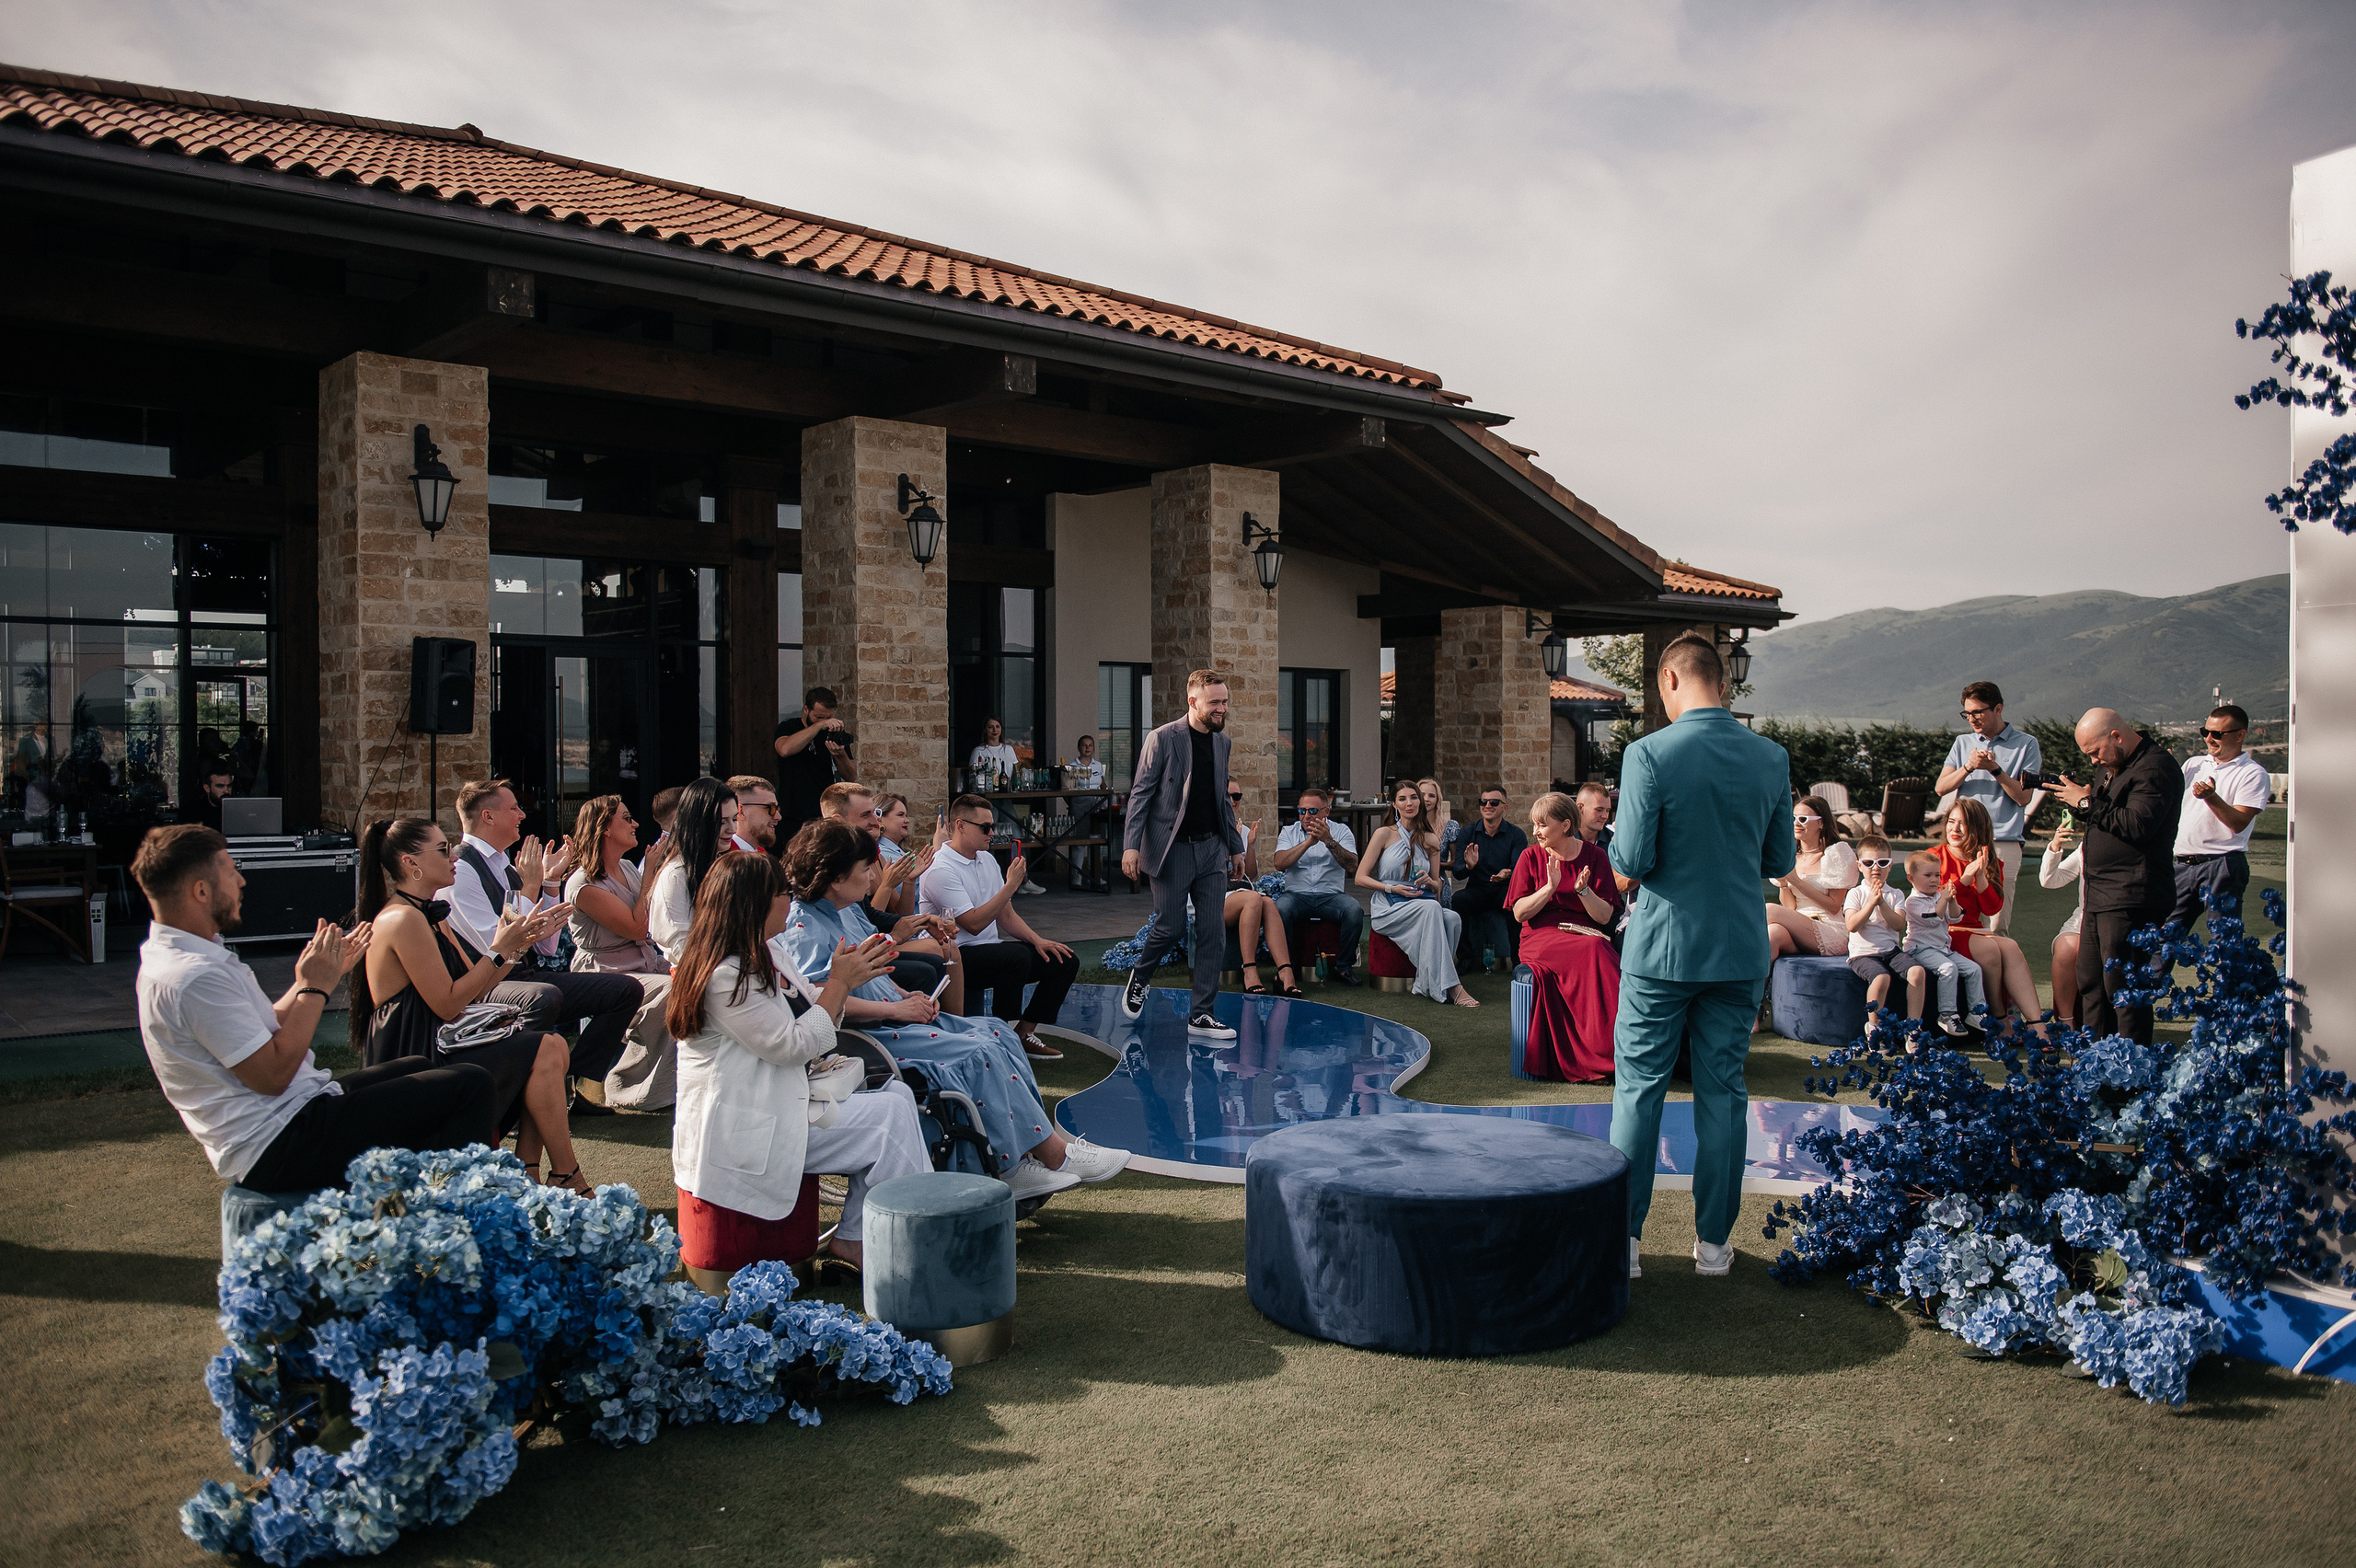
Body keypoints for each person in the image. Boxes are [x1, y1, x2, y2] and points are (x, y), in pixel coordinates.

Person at [133, 824, 498, 1192]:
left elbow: (264, 1024)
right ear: (201, 891)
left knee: (416, 1068)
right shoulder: (194, 976)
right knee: (470, 1084)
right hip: (280, 1140)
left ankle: (415, 1201)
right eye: (231, 871)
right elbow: (273, 1076)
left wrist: (314, 978)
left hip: (295, 1115)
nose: (241, 881)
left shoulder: (181, 956)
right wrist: (314, 988)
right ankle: (464, 1211)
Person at [780, 822, 1129, 1198]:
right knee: (979, 1052)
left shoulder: (845, 909)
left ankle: (1033, 1151)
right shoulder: (805, 926)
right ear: (835, 877)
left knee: (999, 1034)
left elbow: (872, 969)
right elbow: (820, 997)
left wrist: (905, 995)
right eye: (864, 870)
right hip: (872, 1035)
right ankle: (1037, 1160)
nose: (871, 878)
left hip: (893, 1016)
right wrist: (899, 1009)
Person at [1608, 633, 1793, 1281]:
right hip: (1739, 948)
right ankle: (1714, 1247)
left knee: (1638, 1093)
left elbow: (1629, 863)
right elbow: (1780, 862)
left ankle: (1625, 1247)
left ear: (1668, 681)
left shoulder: (1648, 754)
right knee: (1724, 1095)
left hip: (1661, 948)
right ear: (1725, 681)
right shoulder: (1771, 757)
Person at [664, 850, 923, 1274]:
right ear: (754, 904)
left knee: (895, 1095)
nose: (790, 901)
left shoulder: (768, 953)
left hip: (778, 1100)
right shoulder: (723, 975)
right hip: (743, 1126)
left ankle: (862, 1237)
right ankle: (902, 1245)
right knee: (888, 1120)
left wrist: (846, 981)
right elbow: (792, 1045)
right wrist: (841, 981)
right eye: (783, 893)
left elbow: (813, 1016)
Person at [350, 815, 589, 1190]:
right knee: (545, 1047)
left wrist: (519, 944)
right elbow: (448, 1005)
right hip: (414, 1054)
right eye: (443, 850)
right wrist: (499, 950)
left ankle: (535, 1172)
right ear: (411, 863)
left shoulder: (431, 915)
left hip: (444, 1040)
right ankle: (563, 1175)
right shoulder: (402, 919)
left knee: (555, 1044)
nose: (454, 858)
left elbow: (475, 990)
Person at [446, 778, 647, 1099]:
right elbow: (497, 946)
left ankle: (579, 1084)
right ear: (488, 817)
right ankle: (523, 1091)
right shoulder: (462, 868)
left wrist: (550, 883)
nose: (522, 815)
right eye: (513, 808)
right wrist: (530, 886)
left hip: (521, 975)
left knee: (624, 989)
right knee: (544, 996)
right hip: (484, 983)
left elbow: (546, 947)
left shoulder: (504, 867)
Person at [1117, 669, 1248, 1037]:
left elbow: (1222, 799)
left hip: (1212, 849)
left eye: (1224, 702)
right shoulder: (1161, 739)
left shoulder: (1223, 744)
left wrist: (1235, 848)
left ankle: (1201, 1015)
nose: (1222, 709)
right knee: (1171, 926)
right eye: (1215, 703)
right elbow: (1140, 795)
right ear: (1193, 702)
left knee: (1212, 932)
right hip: (1171, 849)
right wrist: (1130, 846)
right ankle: (1141, 975)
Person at [2051, 708, 2184, 1044]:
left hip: (2132, 894)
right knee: (2092, 982)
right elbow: (2105, 819)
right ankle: (2097, 1065)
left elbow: (2138, 826)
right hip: (2099, 894)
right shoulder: (2113, 767)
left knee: (2123, 988)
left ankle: (2131, 1073)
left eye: (2095, 752)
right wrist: (2085, 803)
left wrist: (2085, 804)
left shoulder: (2156, 767)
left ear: (2117, 736)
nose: (2094, 761)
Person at [920, 794, 1080, 1060]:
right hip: (954, 956)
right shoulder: (941, 868)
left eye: (992, 826)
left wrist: (1038, 940)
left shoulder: (986, 860)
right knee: (1013, 957)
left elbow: (1005, 914)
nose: (992, 833)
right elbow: (972, 924)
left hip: (989, 950)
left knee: (1064, 959)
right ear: (960, 825)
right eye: (985, 827)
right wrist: (1010, 886)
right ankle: (1001, 1036)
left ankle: (1023, 1033)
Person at [563, 794, 678, 1111]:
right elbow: (637, 928)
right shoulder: (584, 885)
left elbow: (655, 918)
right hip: (606, 973)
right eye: (627, 818)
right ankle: (633, 1087)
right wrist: (651, 874)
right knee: (674, 989)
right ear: (605, 829)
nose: (636, 823)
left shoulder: (627, 868)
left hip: (643, 965)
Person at [1507, 791, 1622, 1080]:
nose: (1535, 832)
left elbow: (1605, 917)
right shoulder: (1530, 856)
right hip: (1540, 939)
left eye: (1542, 825)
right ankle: (1606, 1055)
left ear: (1566, 825)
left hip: (1587, 935)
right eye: (1535, 825)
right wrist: (1549, 888)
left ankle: (1614, 1046)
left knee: (1598, 949)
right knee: (1596, 950)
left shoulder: (1595, 857)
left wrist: (1583, 891)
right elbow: (1519, 913)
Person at [817, 783, 958, 1005]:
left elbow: (869, 916)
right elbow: (818, 987)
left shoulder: (864, 856)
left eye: (876, 813)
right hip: (855, 967)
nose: (876, 822)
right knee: (930, 963)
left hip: (868, 952)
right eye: (867, 815)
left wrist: (921, 918)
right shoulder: (834, 864)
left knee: (938, 957)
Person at [1929, 799, 2048, 1033]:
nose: (1955, 829)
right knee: (1991, 948)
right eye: (1951, 822)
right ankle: (1999, 1018)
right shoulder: (1934, 856)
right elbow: (1936, 902)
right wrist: (1965, 878)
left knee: (2011, 946)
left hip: (1975, 930)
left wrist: (1981, 877)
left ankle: (2037, 1023)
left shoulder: (1990, 860)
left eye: (1963, 824)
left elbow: (1992, 909)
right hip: (1944, 931)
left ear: (1978, 828)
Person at [1934, 682, 2041, 936]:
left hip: (2003, 843)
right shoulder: (1962, 743)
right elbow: (1941, 787)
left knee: (1998, 927)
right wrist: (1969, 767)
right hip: (1963, 844)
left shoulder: (2026, 744)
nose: (1971, 719)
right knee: (1957, 923)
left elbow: (2024, 797)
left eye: (1978, 712)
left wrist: (1995, 770)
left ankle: (1996, 975)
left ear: (1998, 709)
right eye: (1967, 713)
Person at [1357, 779, 1477, 1007]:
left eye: (1413, 798)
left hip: (1418, 899)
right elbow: (1360, 878)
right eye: (1402, 799)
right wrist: (1391, 887)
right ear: (1394, 804)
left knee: (1452, 918)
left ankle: (1426, 982)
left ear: (1421, 803)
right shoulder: (1383, 834)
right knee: (1432, 908)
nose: (1409, 803)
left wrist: (1429, 882)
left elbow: (1437, 886)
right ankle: (1452, 987)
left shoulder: (1430, 838)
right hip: (1388, 904)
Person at [2169, 703, 2270, 932]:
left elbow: (2239, 822)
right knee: (2164, 937)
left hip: (2222, 865)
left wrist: (2211, 797)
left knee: (2224, 939)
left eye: (2217, 734)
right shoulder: (2193, 764)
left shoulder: (2252, 773)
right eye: (2205, 732)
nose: (2209, 739)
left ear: (2240, 735)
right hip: (2182, 864)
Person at [1270, 787, 1363, 986]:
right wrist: (1309, 843)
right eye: (1302, 810)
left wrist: (1328, 841)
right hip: (1297, 895)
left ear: (1326, 812)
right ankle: (1287, 966)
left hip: (1331, 897)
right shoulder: (1289, 831)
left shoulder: (1341, 831)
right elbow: (1279, 863)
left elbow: (1352, 865)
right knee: (1281, 909)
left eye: (1312, 811)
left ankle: (1344, 967)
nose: (1306, 816)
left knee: (1354, 910)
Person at [1222, 786, 1302, 997]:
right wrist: (1232, 848)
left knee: (1266, 902)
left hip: (1239, 893)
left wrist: (1249, 846)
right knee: (1254, 899)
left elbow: (1250, 874)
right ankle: (1249, 969)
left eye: (1237, 796)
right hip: (1214, 896)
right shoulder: (1210, 828)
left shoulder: (1243, 829)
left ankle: (1285, 972)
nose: (1233, 800)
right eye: (1227, 795)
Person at [651, 778, 740, 964]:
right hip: (699, 977)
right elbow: (680, 946)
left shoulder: (720, 864)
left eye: (734, 819)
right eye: (722, 821)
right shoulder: (675, 875)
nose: (732, 829)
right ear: (698, 822)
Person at [1900, 847, 1988, 1038]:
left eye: (1937, 875)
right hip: (1919, 949)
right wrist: (1945, 899)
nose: (1934, 879)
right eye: (1928, 875)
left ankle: (1976, 1012)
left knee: (1974, 969)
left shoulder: (1940, 896)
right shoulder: (1912, 902)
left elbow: (1954, 918)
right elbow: (1933, 919)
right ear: (1911, 878)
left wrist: (1952, 900)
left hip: (1942, 949)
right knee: (1949, 969)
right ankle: (1947, 1014)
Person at [1842, 835, 1924, 1029]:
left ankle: (1913, 1027)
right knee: (1881, 977)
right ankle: (1875, 1027)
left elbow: (1898, 925)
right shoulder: (1855, 893)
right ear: (1859, 865)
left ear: (1890, 865)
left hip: (1891, 951)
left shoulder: (1895, 894)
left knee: (1917, 972)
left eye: (1882, 862)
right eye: (1869, 863)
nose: (1875, 867)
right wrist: (1871, 903)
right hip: (1863, 955)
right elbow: (1852, 925)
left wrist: (1882, 903)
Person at [1763, 796, 1859, 960]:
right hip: (1798, 925)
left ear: (1821, 823)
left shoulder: (1835, 854)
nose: (1796, 823)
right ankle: (1759, 986)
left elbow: (1834, 907)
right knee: (1773, 934)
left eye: (1803, 819)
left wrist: (1797, 882)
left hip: (1829, 929)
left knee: (1769, 909)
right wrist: (1784, 885)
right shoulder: (1791, 855)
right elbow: (1790, 907)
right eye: (1793, 818)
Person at [1449, 785, 1529, 975]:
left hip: (1505, 889)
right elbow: (1458, 873)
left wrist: (1507, 874)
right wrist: (1469, 866)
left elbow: (1520, 867)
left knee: (1518, 905)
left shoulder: (1516, 835)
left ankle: (1518, 960)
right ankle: (1465, 959)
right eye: (1483, 802)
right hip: (1478, 888)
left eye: (1494, 802)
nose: (1487, 806)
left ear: (1504, 808)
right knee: (1459, 900)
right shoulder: (1468, 833)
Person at [773, 686, 853, 836]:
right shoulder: (789, 727)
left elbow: (851, 776)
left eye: (828, 718)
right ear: (806, 710)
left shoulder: (833, 733)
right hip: (791, 813)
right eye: (818, 717)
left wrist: (840, 754)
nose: (825, 722)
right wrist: (818, 726)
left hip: (823, 813)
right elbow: (784, 749)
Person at [2041, 816, 2085, 1028]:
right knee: (2066, 950)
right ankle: (2066, 1023)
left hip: (2118, 919)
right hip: (2084, 918)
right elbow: (2049, 880)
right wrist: (2055, 845)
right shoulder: (2087, 847)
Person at [1062, 733, 1109, 891]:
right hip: (1080, 805)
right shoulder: (1072, 766)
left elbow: (1103, 784)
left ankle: (1095, 877)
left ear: (1094, 747)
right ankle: (1076, 877)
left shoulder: (1098, 765)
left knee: (1096, 841)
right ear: (1079, 747)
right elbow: (1066, 789)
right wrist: (1075, 804)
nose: (1087, 748)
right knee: (1079, 842)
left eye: (1090, 745)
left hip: (1097, 806)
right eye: (1084, 745)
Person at [1415, 778, 1458, 892]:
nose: (1426, 799)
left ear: (1438, 799)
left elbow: (1455, 862)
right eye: (1422, 795)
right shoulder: (1409, 825)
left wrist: (1433, 864)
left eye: (1431, 796)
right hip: (1412, 879)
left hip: (1439, 879)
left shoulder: (1450, 826)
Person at [728, 775, 783, 857]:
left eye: (776, 809)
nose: (778, 817)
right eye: (770, 808)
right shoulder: (723, 857)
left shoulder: (763, 855)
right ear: (741, 811)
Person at [968, 717, 1021, 788]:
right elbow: (973, 776)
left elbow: (1016, 772)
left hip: (1008, 792)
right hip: (988, 792)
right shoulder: (978, 751)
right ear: (985, 730)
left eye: (997, 726)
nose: (995, 730)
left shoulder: (1009, 749)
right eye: (990, 727)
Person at [190, 765, 235, 831]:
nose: (226, 791)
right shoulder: (193, 811)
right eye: (220, 786)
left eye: (229, 786)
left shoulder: (236, 809)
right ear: (207, 788)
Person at [1576, 781, 1614, 849]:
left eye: (1607, 811)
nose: (1605, 816)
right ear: (1580, 807)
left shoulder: (1613, 841)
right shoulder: (1563, 840)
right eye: (1599, 810)